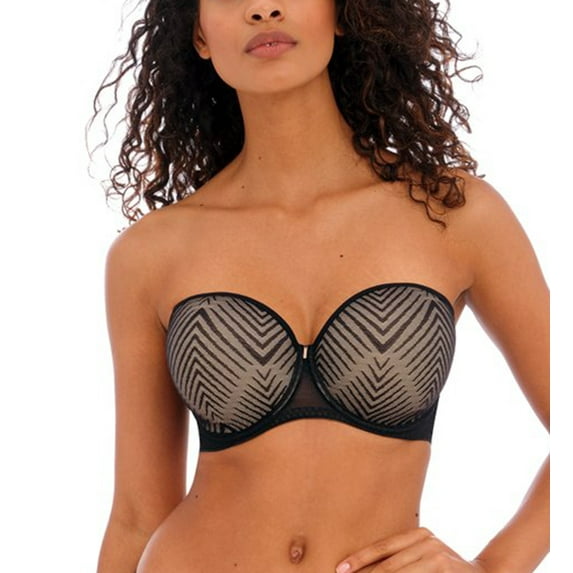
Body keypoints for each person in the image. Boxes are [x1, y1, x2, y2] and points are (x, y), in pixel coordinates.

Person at [93, 0, 549, 571]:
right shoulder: (149, 254)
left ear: (340, 11)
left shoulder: (452, 213)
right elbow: (137, 515)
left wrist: (491, 568)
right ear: (200, 36)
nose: (263, 9)